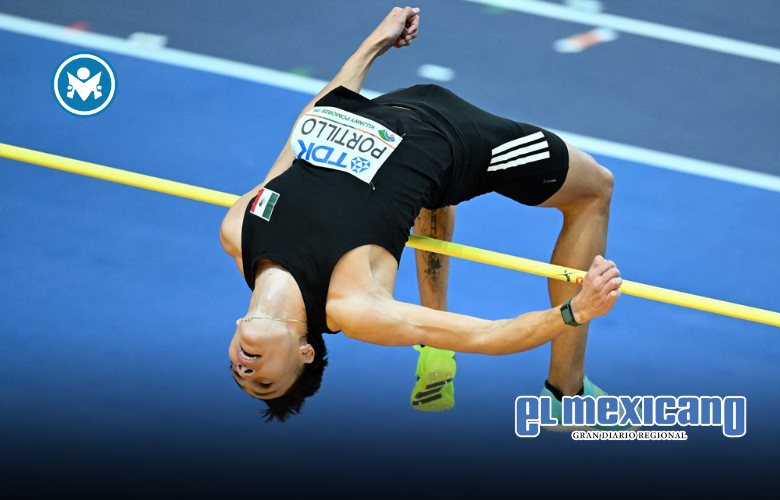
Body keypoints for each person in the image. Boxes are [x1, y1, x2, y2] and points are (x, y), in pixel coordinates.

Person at [219, 6, 622, 422]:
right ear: (305, 353)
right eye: (264, 381)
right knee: (595, 189)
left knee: (419, 196)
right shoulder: (353, 307)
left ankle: (436, 355)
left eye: (238, 373)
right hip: (463, 138)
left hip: (388, 110)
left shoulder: (237, 231)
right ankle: (565, 392)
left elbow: (307, 131)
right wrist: (576, 310)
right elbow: (487, 335)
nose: (246, 370)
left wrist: (373, 45)